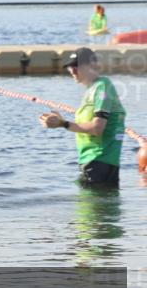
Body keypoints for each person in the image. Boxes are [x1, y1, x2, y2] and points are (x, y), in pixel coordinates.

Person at [40, 47, 126, 188]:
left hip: (99, 162)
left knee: (90, 208)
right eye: (70, 67)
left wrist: (63, 124)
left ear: (92, 65)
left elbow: (97, 128)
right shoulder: (91, 90)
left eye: (77, 66)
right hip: (93, 162)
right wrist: (60, 121)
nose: (72, 71)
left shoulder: (102, 87)